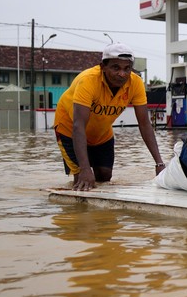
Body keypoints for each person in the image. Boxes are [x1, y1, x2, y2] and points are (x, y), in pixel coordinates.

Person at [54, 42, 165, 191]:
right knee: (82, 180)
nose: (122, 74)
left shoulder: (136, 83)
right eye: (116, 68)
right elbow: (78, 125)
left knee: (105, 175)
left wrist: (159, 164)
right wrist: (85, 169)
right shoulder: (88, 80)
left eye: (127, 68)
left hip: (101, 132)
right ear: (103, 67)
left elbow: (145, 124)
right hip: (69, 130)